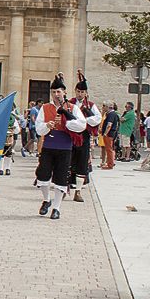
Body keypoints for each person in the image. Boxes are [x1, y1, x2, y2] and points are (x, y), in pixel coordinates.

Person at [34, 74, 86, 221]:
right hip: (49, 146)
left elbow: (82, 125)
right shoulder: (45, 108)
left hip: (65, 147)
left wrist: (67, 122)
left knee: (61, 177)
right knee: (43, 174)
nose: (56, 94)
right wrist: (47, 126)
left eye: (59, 91)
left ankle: (56, 208)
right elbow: (38, 128)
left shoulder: (72, 108)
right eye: (54, 92)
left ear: (64, 92)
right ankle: (46, 199)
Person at [69, 71, 102, 203]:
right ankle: (65, 187)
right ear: (75, 91)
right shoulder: (70, 103)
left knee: (82, 162)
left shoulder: (91, 105)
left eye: (82, 92)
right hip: (70, 136)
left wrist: (85, 119)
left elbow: (97, 119)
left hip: (84, 136)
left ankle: (78, 191)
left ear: (86, 93)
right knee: (68, 161)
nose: (80, 94)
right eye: (78, 91)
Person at [100, 103, 119, 169]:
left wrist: (105, 133)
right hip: (110, 134)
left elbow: (109, 125)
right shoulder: (112, 114)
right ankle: (109, 163)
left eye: (104, 106)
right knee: (109, 149)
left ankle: (109, 164)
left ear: (108, 107)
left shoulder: (111, 114)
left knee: (109, 149)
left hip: (109, 134)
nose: (103, 108)